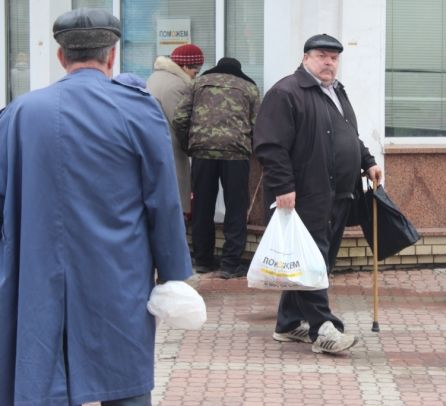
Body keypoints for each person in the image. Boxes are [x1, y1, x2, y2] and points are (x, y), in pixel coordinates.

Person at [0, 8, 192, 406]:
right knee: (123, 377)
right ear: (112, 55)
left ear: (60, 57)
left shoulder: (19, 113)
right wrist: (173, 274)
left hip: (36, 272)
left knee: (40, 372)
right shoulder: (138, 110)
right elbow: (163, 200)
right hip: (118, 272)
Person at [253, 34, 382, 354]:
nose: (329, 63)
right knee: (313, 262)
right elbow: (270, 146)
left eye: (334, 58)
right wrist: (283, 186)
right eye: (322, 56)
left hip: (338, 192)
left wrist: (367, 161)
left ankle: (288, 323)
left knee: (314, 260)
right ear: (306, 58)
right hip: (304, 195)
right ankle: (324, 329)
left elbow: (348, 134)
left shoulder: (336, 91)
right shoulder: (286, 92)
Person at [174, 57, 260, 279]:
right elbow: (257, 124)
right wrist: (249, 147)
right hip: (236, 154)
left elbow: (180, 118)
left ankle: (203, 260)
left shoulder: (197, 83)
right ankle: (231, 264)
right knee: (236, 208)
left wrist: (189, 145)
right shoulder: (249, 87)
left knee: (202, 206)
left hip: (202, 152)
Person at [147, 43, 205, 220]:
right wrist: (193, 145)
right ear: (185, 66)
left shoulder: (156, 77)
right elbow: (180, 121)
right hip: (171, 147)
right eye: (195, 71)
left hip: (154, 143)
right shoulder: (176, 85)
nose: (195, 76)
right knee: (175, 198)